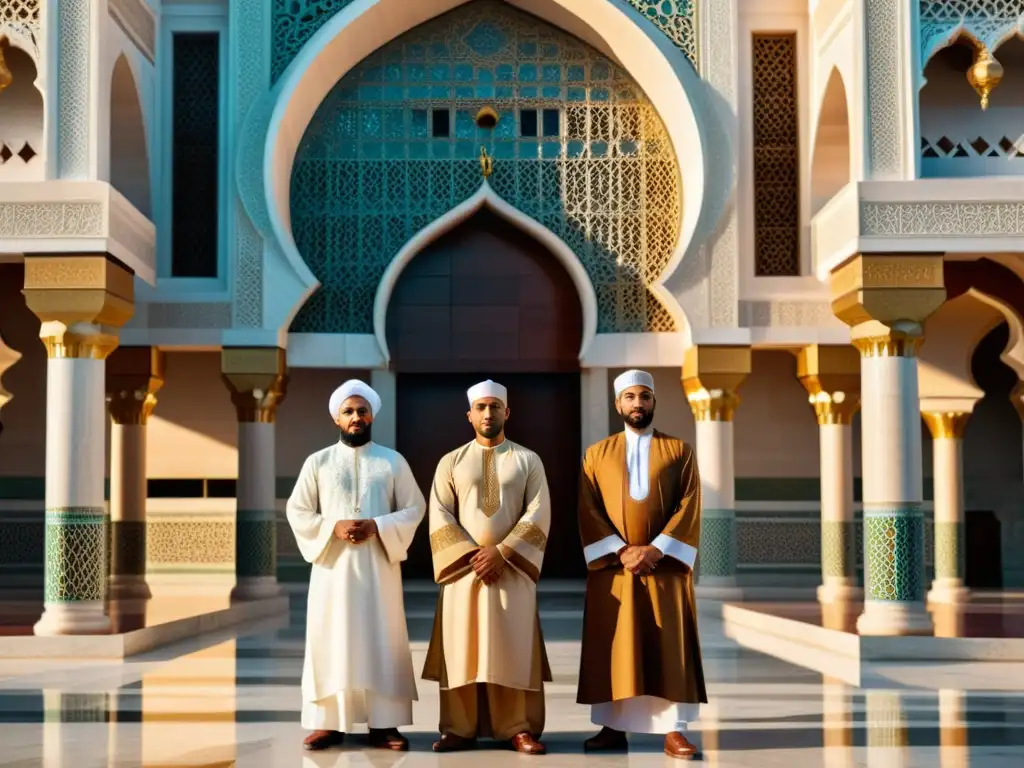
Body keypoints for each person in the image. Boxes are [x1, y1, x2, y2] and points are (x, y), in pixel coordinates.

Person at [285, 379, 426, 752]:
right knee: (332, 640)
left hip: (379, 570)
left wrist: (378, 525)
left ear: (372, 415)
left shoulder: (392, 461)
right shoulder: (318, 462)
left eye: (362, 411)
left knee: (383, 639)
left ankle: (385, 724)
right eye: (348, 411)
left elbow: (415, 507)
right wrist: (334, 526)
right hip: (333, 572)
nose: (356, 417)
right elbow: (297, 510)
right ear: (336, 418)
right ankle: (328, 724)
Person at [576, 369, 707, 760]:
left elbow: (690, 504)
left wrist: (657, 549)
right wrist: (621, 551)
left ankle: (674, 729)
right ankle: (613, 726)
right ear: (618, 404)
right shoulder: (596, 454)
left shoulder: (679, 451)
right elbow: (588, 508)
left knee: (668, 644)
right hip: (615, 571)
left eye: (644, 397)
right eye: (630, 397)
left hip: (664, 569)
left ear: (654, 402)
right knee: (616, 646)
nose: (638, 404)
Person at [422, 379, 552, 755]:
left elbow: (540, 511)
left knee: (511, 647)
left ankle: (519, 727)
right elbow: (440, 513)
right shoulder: (451, 461)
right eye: (481, 407)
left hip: (512, 571)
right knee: (463, 648)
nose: (488, 413)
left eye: (495, 406)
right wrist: (472, 555)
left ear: (507, 412)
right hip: (464, 573)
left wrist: (504, 552)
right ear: (469, 415)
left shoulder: (529, 460)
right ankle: (458, 729)